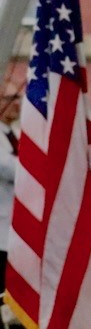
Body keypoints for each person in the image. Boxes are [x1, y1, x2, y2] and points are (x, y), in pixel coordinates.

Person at [0, 86, 19, 292]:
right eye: (9, 98)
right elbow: (9, 168)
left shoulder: (15, 135)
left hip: (16, 234)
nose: (16, 103)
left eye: (18, 98)